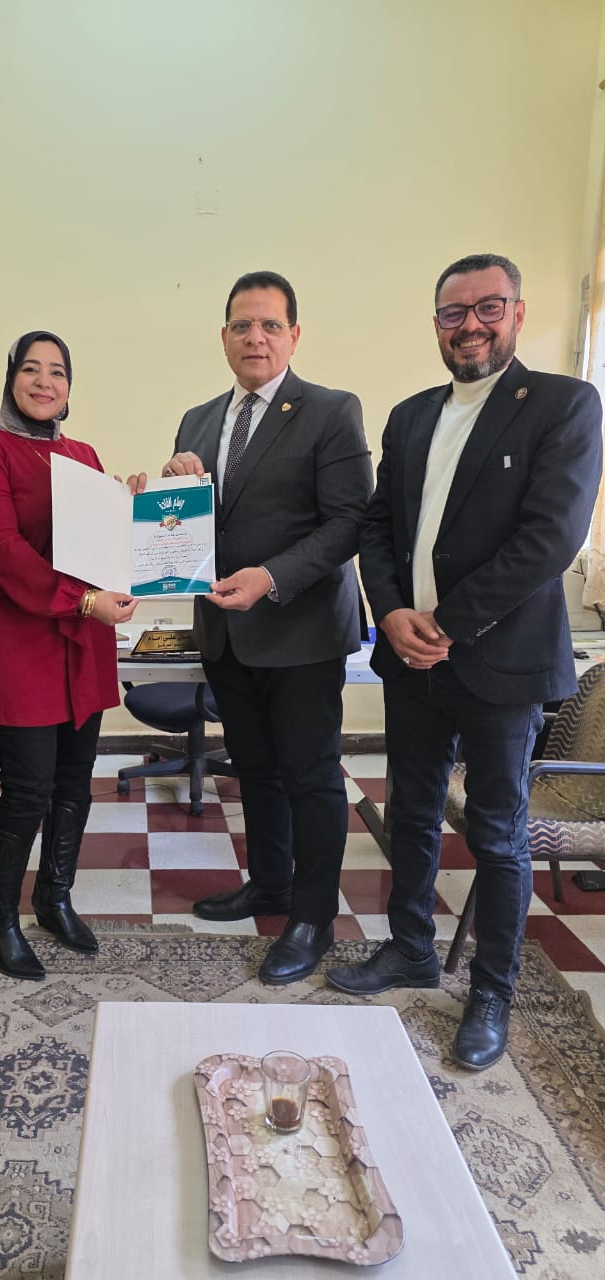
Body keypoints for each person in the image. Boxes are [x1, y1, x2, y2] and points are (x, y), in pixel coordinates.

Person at [326, 253, 603, 1070]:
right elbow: (377, 527)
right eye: (454, 313)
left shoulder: (563, 404)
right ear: (437, 324)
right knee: (410, 813)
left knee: (499, 834)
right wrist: (392, 616)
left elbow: (550, 539)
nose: (471, 325)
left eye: (488, 308)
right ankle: (411, 949)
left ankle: (491, 993)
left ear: (517, 312)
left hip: (500, 663)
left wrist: (445, 622)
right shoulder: (412, 416)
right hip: (411, 659)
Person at [162, 270, 373, 982]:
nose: (255, 337)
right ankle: (271, 883)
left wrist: (272, 577)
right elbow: (190, 524)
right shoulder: (196, 420)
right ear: (223, 336)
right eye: (242, 325)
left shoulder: (331, 410)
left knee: (310, 777)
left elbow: (350, 520)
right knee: (254, 768)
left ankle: (312, 918)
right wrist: (172, 486)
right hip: (225, 631)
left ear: (294, 335)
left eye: (270, 325)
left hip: (300, 629)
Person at [0, 331, 138, 980]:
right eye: (30, 369)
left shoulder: (82, 454)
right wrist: (85, 602)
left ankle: (55, 898)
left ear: (69, 387)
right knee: (28, 787)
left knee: (73, 780)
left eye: (57, 371)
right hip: (17, 634)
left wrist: (132, 512)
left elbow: (97, 547)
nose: (44, 381)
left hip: (78, 640)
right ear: (11, 379)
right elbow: (5, 552)